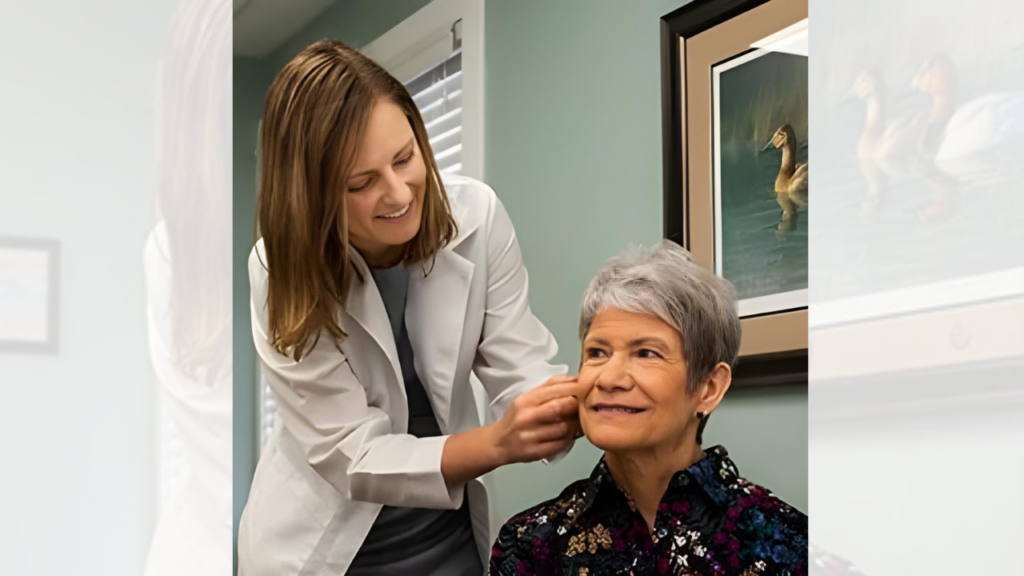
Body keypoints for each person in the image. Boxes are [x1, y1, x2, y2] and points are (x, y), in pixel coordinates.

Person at [237, 39, 581, 575]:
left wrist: (588, 400)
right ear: (310, 197)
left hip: (448, 539)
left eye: (405, 158)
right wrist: (497, 442)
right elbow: (353, 455)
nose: (398, 194)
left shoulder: (477, 217)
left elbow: (521, 368)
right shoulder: (278, 270)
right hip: (326, 546)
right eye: (361, 183)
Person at [490, 241, 808, 576]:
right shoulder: (530, 544)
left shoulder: (785, 544)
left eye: (646, 353)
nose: (609, 378)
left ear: (709, 388)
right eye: (597, 352)